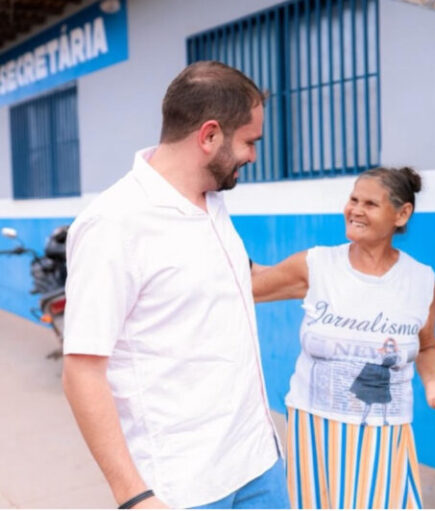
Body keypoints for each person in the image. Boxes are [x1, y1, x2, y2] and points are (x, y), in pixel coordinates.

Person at [61, 61, 289, 509]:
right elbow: (81, 372)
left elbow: (237, 283)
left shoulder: (212, 200)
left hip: (258, 462)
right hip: (183, 486)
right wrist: (134, 496)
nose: (253, 156)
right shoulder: (114, 224)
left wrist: (332, 272)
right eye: (249, 142)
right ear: (208, 136)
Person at [251, 167, 435, 509]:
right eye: (353, 199)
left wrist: (433, 382)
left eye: (370, 203)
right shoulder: (317, 265)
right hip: (315, 430)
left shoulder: (420, 280)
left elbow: (427, 346)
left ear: (402, 214)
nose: (355, 209)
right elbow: (249, 284)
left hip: (384, 435)